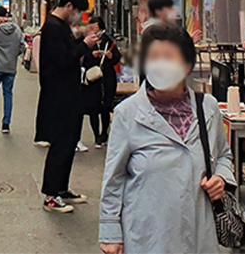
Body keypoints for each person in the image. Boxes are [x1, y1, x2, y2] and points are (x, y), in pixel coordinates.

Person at [99, 24, 234, 254]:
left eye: (169, 58)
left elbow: (223, 155)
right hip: (149, 237)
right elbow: (114, 179)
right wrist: (110, 233)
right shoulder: (128, 113)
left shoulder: (208, 108)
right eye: (154, 58)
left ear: (187, 65)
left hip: (198, 234)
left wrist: (221, 177)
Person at [39, 0, 100, 213]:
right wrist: (85, 46)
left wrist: (83, 44)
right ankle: (51, 196)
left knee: (69, 142)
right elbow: (64, 60)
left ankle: (61, 188)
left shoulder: (60, 27)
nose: (79, 17)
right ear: (70, 7)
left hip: (70, 93)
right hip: (59, 96)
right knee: (61, 145)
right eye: (79, 12)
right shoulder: (53, 28)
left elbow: (69, 53)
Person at [84, 17, 121, 148]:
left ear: (100, 26)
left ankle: (104, 133)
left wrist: (111, 57)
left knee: (106, 106)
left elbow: (117, 58)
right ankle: (96, 136)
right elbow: (82, 58)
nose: (92, 29)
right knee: (93, 108)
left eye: (94, 26)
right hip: (93, 78)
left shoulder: (108, 41)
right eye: (91, 26)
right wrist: (91, 55)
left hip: (107, 78)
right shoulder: (88, 41)